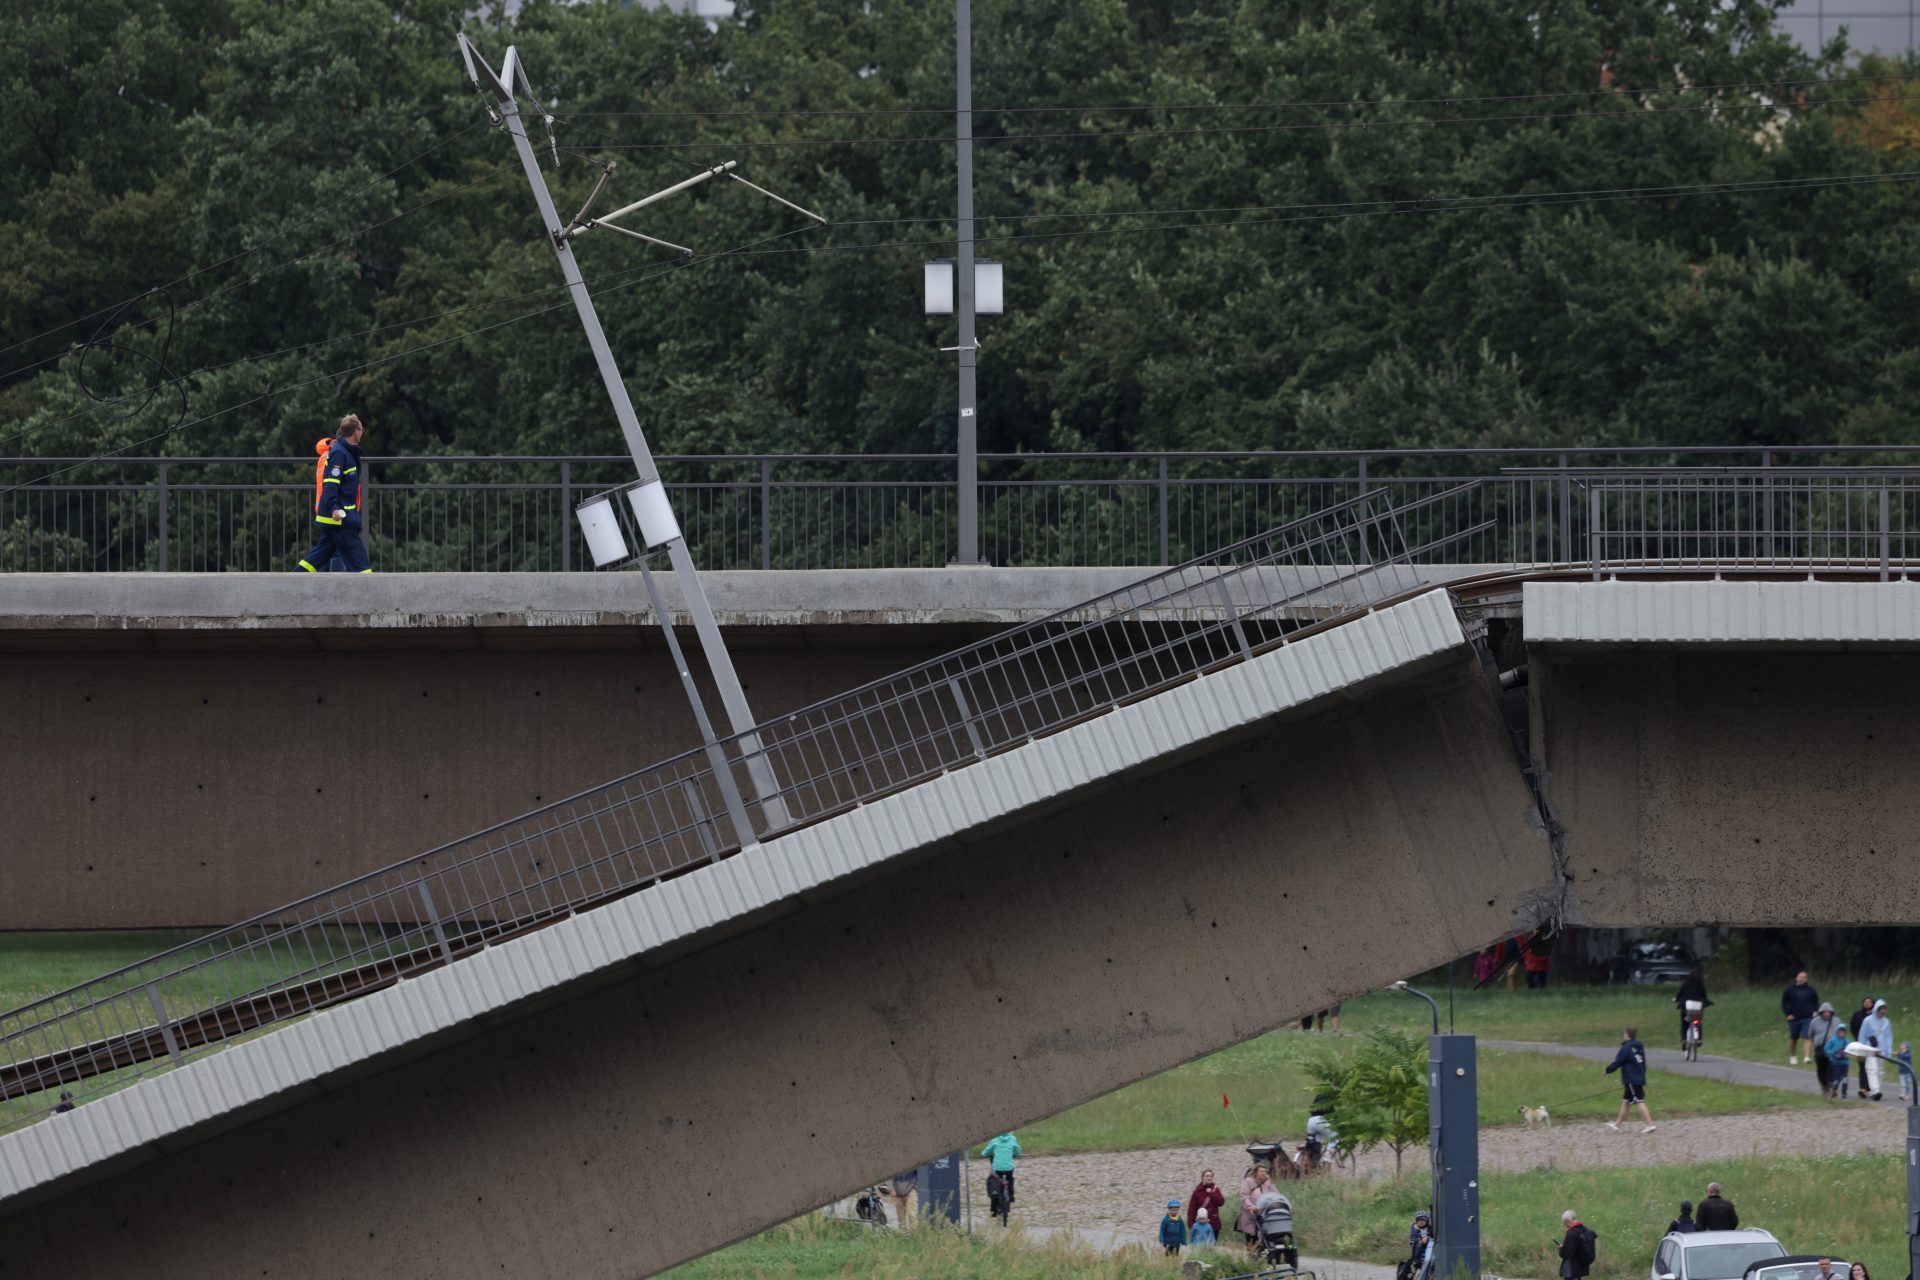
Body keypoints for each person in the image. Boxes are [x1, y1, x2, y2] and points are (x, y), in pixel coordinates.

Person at [296, 414, 372, 574]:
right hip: (340, 518)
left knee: (318, 555)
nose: (363, 432)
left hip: (340, 516)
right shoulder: (340, 453)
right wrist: (334, 508)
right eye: (361, 429)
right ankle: (372, 591)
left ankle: (294, 578)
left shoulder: (346, 452)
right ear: (355, 431)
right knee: (360, 561)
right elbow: (330, 484)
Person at [1604, 1025, 1657, 1133]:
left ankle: (1650, 1124)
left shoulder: (1626, 1047)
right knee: (1626, 1101)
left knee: (1639, 1100)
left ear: (1627, 1034)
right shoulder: (1639, 1046)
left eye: (1624, 1033)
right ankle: (1617, 1125)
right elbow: (1643, 1062)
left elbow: (1618, 1061)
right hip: (1638, 1076)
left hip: (1632, 1079)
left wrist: (1608, 1070)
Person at [1782, 970, 1820, 1064]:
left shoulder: (1810, 990)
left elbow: (1816, 1002)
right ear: (1796, 978)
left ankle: (1806, 1057)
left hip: (1807, 1017)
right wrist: (1788, 1014)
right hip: (1794, 1018)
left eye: (1803, 977)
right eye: (1799, 977)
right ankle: (1793, 1056)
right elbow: (1784, 1003)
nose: (1801, 979)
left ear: (1806, 979)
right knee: (1793, 1038)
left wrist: (1815, 1011)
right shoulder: (1789, 989)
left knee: (1807, 1036)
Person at [1861, 999, 1894, 1101]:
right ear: (1877, 1009)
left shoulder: (1886, 1022)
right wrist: (1861, 1049)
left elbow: (1888, 1037)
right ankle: (1876, 1091)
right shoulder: (1867, 1020)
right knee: (1872, 1069)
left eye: (1884, 1011)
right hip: (1870, 1049)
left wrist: (1888, 1050)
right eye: (1881, 1011)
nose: (1882, 1014)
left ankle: (1876, 1090)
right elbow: (1862, 1035)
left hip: (1882, 1050)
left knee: (1880, 1071)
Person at [980, 1132, 1020, 1212]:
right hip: (1009, 1167)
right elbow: (1018, 1151)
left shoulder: (995, 1139)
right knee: (1010, 1178)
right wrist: (1015, 1154)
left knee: (995, 1181)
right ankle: (1011, 1196)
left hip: (997, 1167)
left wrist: (983, 1154)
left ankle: (994, 1207)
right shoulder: (1012, 1138)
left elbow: (987, 1151)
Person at [1809, 1002, 1843, 1095]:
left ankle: (1832, 1086)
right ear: (1821, 1012)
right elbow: (1811, 1035)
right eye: (1824, 1012)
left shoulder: (1837, 1021)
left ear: (1832, 1012)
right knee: (1821, 1069)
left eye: (1829, 1012)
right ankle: (1824, 1085)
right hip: (1820, 1049)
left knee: (1832, 1068)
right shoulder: (1814, 1022)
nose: (1827, 1014)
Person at [1237, 1165, 1273, 1254]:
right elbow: (1244, 1196)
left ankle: (1264, 1253)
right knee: (1251, 1237)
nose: (1263, 1173)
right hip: (1251, 1214)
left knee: (1265, 1234)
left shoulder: (1268, 1183)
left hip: (1264, 1213)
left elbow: (1275, 1193)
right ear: (1256, 1172)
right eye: (1261, 1171)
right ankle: (1252, 1257)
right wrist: (1251, 1206)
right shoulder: (1248, 1182)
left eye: (1265, 1171)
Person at [1674, 968, 1711, 1051]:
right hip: (1697, 1008)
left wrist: (1675, 1000)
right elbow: (1704, 996)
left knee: (1684, 1024)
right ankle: (1699, 1039)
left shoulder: (1685, 984)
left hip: (1686, 1007)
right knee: (1697, 1022)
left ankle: (1684, 1040)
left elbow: (1679, 995)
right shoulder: (1700, 985)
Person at [1558, 1210, 1597, 1279]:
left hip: (1572, 1268)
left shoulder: (1571, 1234)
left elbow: (1566, 1253)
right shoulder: (1585, 1230)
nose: (1565, 1225)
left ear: (1567, 1221)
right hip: (1582, 1266)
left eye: (1564, 1223)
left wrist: (1561, 1248)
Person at [1186, 1168, 1225, 1235]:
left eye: (1210, 1176)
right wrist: (1191, 1224)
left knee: (1213, 1244)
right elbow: (1192, 1209)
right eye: (1207, 1176)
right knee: (1201, 1244)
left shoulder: (1215, 1189)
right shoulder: (1197, 1191)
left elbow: (1221, 1202)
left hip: (1214, 1223)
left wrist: (1211, 1193)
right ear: (1202, 1177)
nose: (1209, 1178)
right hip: (1200, 1223)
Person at [1851, 996, 1875, 1096]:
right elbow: (1852, 1027)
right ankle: (1863, 1088)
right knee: (1862, 1066)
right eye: (1865, 1001)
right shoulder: (1857, 1015)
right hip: (1860, 1044)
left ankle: (1871, 1088)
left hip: (1872, 1045)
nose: (1867, 1003)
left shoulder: (1875, 1016)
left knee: (1872, 1067)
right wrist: (1858, 1038)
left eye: (1869, 1002)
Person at [1826, 1022, 1854, 1098]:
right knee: (1836, 1079)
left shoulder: (1847, 1042)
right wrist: (1832, 1052)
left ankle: (1844, 1094)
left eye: (1843, 1031)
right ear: (1837, 1031)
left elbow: (1851, 1051)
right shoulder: (1832, 1040)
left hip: (1845, 1062)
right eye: (1840, 1031)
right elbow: (1826, 1049)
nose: (1842, 1033)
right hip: (1835, 1062)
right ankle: (1834, 1089)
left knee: (1845, 1078)